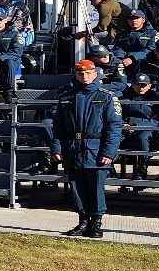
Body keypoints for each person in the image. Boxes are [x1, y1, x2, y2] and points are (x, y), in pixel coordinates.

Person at [48, 58, 121, 239]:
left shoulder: (106, 96)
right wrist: (57, 148)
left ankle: (96, 223)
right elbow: (58, 126)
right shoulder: (66, 96)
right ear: (76, 75)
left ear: (95, 74)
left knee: (96, 187)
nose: (85, 76)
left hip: (96, 149)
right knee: (77, 187)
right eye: (80, 73)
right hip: (73, 147)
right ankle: (82, 221)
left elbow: (114, 127)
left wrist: (109, 152)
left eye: (88, 73)